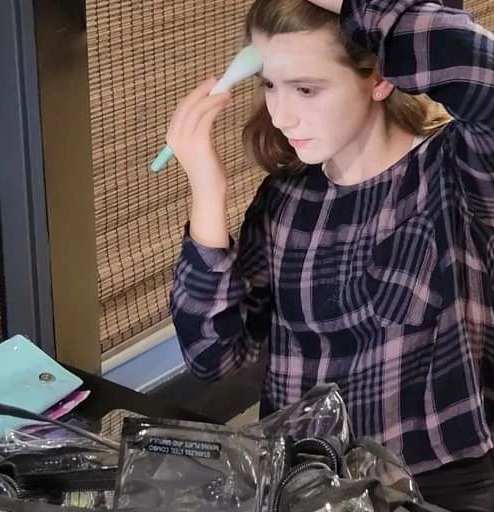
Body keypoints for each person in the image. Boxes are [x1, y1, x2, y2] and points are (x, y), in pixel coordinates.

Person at [167, 0, 494, 509]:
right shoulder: (286, 201)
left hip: (436, 484)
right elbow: (213, 358)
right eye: (270, 84)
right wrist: (207, 194)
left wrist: (356, 4)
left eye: (306, 89)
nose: (280, 115)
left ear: (379, 78)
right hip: (307, 481)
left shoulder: (456, 173)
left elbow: (479, 71)